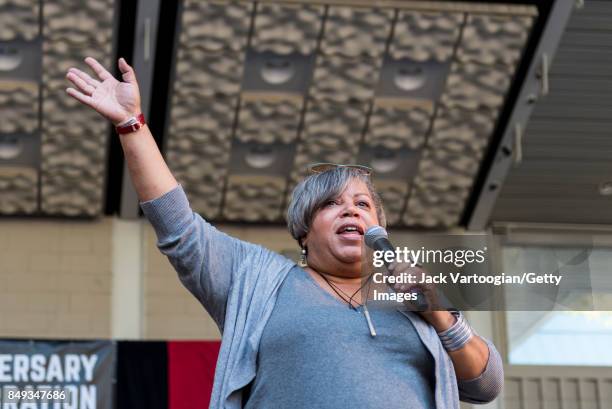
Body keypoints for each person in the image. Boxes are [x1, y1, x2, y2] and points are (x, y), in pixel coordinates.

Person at [66, 57, 503, 409]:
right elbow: (179, 226)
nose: (350, 209)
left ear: (379, 227)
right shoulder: (258, 280)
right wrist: (131, 125)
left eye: (362, 204)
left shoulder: (414, 299)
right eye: (331, 204)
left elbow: (485, 386)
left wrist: (440, 314)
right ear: (303, 231)